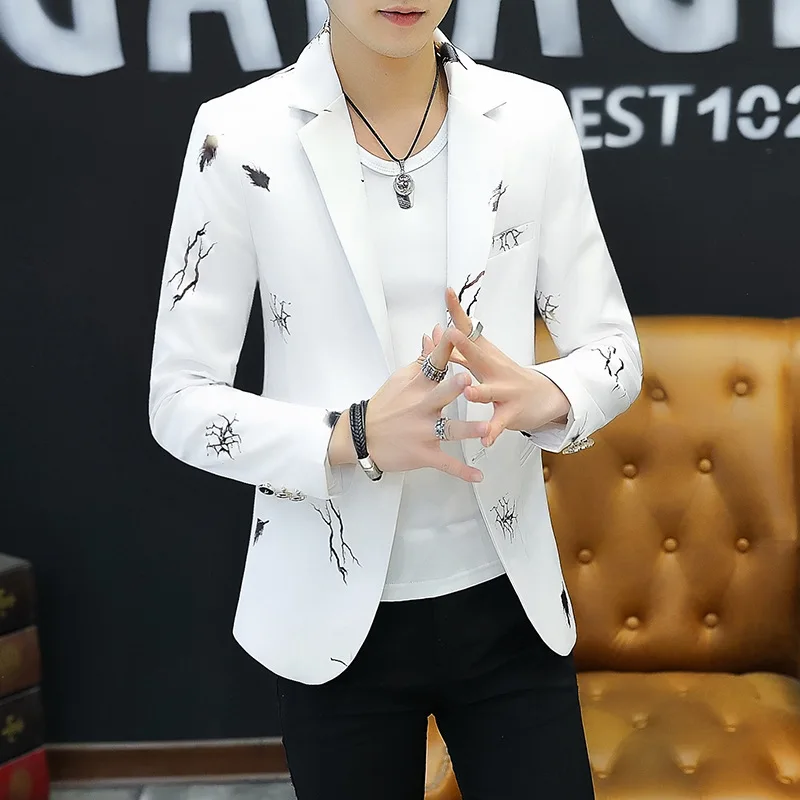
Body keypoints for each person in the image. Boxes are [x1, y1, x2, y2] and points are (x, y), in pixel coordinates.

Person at [148, 2, 642, 797]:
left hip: (508, 605)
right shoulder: (238, 134)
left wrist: (547, 391)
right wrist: (350, 433)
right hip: (328, 614)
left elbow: (614, 351)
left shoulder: (531, 119)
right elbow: (179, 401)